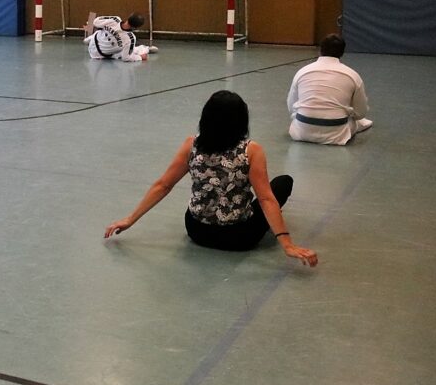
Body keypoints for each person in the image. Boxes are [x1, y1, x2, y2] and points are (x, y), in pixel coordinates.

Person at [104, 90, 318, 266]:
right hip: (240, 237)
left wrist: (130, 219)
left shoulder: (191, 145)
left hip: (197, 230)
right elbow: (266, 199)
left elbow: (164, 185)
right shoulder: (251, 150)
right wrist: (287, 244)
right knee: (282, 183)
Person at [287, 33, 372, 145]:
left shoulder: (302, 72)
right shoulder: (352, 75)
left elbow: (291, 106)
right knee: (360, 122)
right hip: (336, 133)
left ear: (320, 50)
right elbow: (361, 112)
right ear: (342, 53)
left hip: (302, 131)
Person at [84, 12, 156, 61]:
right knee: (128, 50)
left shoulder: (114, 19)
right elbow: (126, 58)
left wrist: (96, 27)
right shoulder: (130, 38)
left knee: (101, 31)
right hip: (98, 55)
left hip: (94, 42)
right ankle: (146, 49)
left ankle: (89, 39)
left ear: (128, 18)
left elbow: (95, 21)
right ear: (135, 28)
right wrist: (140, 57)